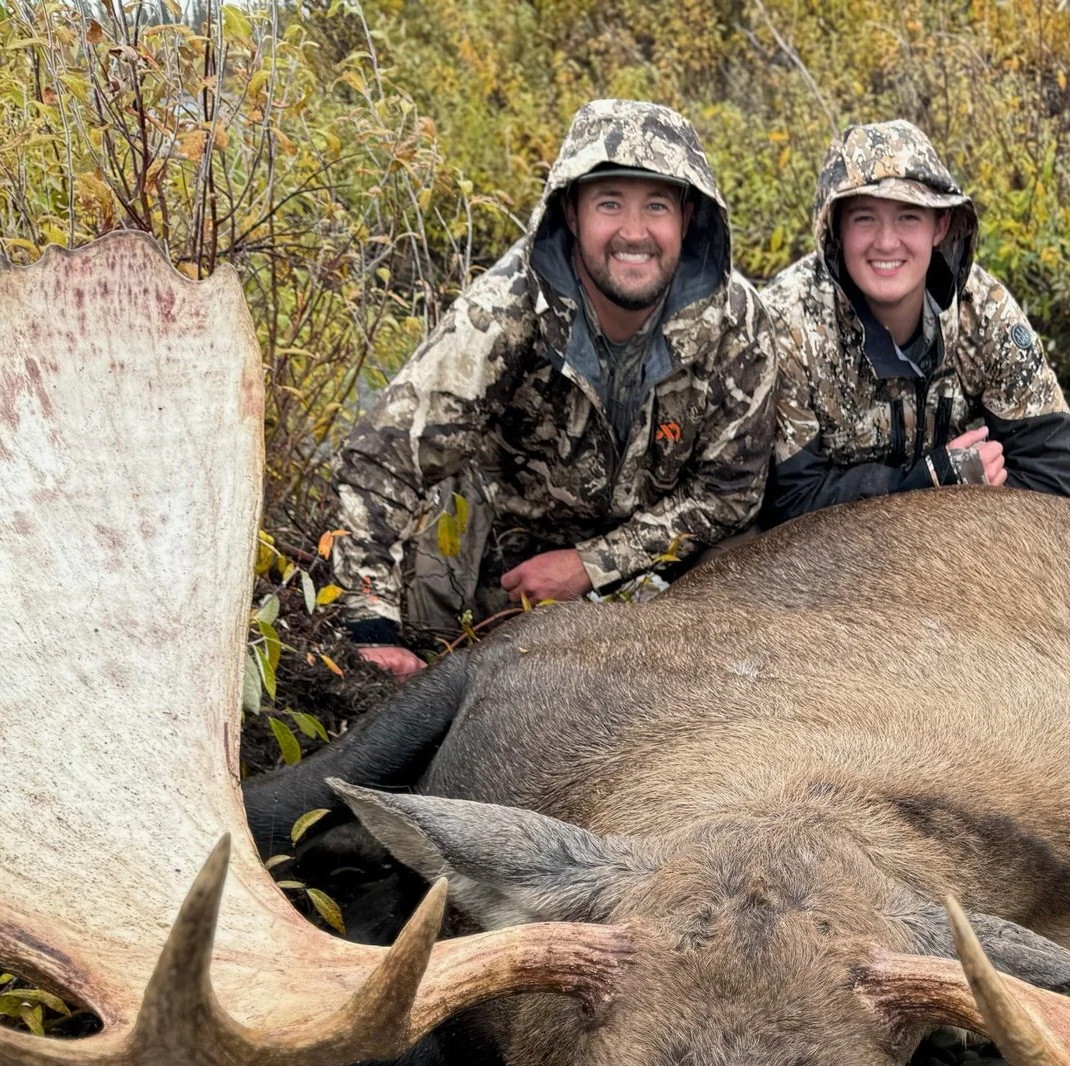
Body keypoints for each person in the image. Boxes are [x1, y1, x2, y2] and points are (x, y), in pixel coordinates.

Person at [332, 100, 777, 675]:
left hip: (651, 573)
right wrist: (373, 626)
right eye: (609, 204)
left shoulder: (737, 323)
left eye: (657, 206)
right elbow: (383, 456)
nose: (634, 233)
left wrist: (592, 565)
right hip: (507, 569)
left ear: (688, 217)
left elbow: (731, 494)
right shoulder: (504, 311)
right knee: (431, 659)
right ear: (571, 211)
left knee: (747, 569)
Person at [759, 121, 1070, 525]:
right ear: (837, 228)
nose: (887, 242)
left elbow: (1053, 475)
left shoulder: (986, 310)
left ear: (939, 226)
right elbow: (784, 503)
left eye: (908, 217)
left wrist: (974, 506)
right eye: (864, 219)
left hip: (955, 545)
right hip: (822, 568)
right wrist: (924, 483)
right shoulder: (787, 324)